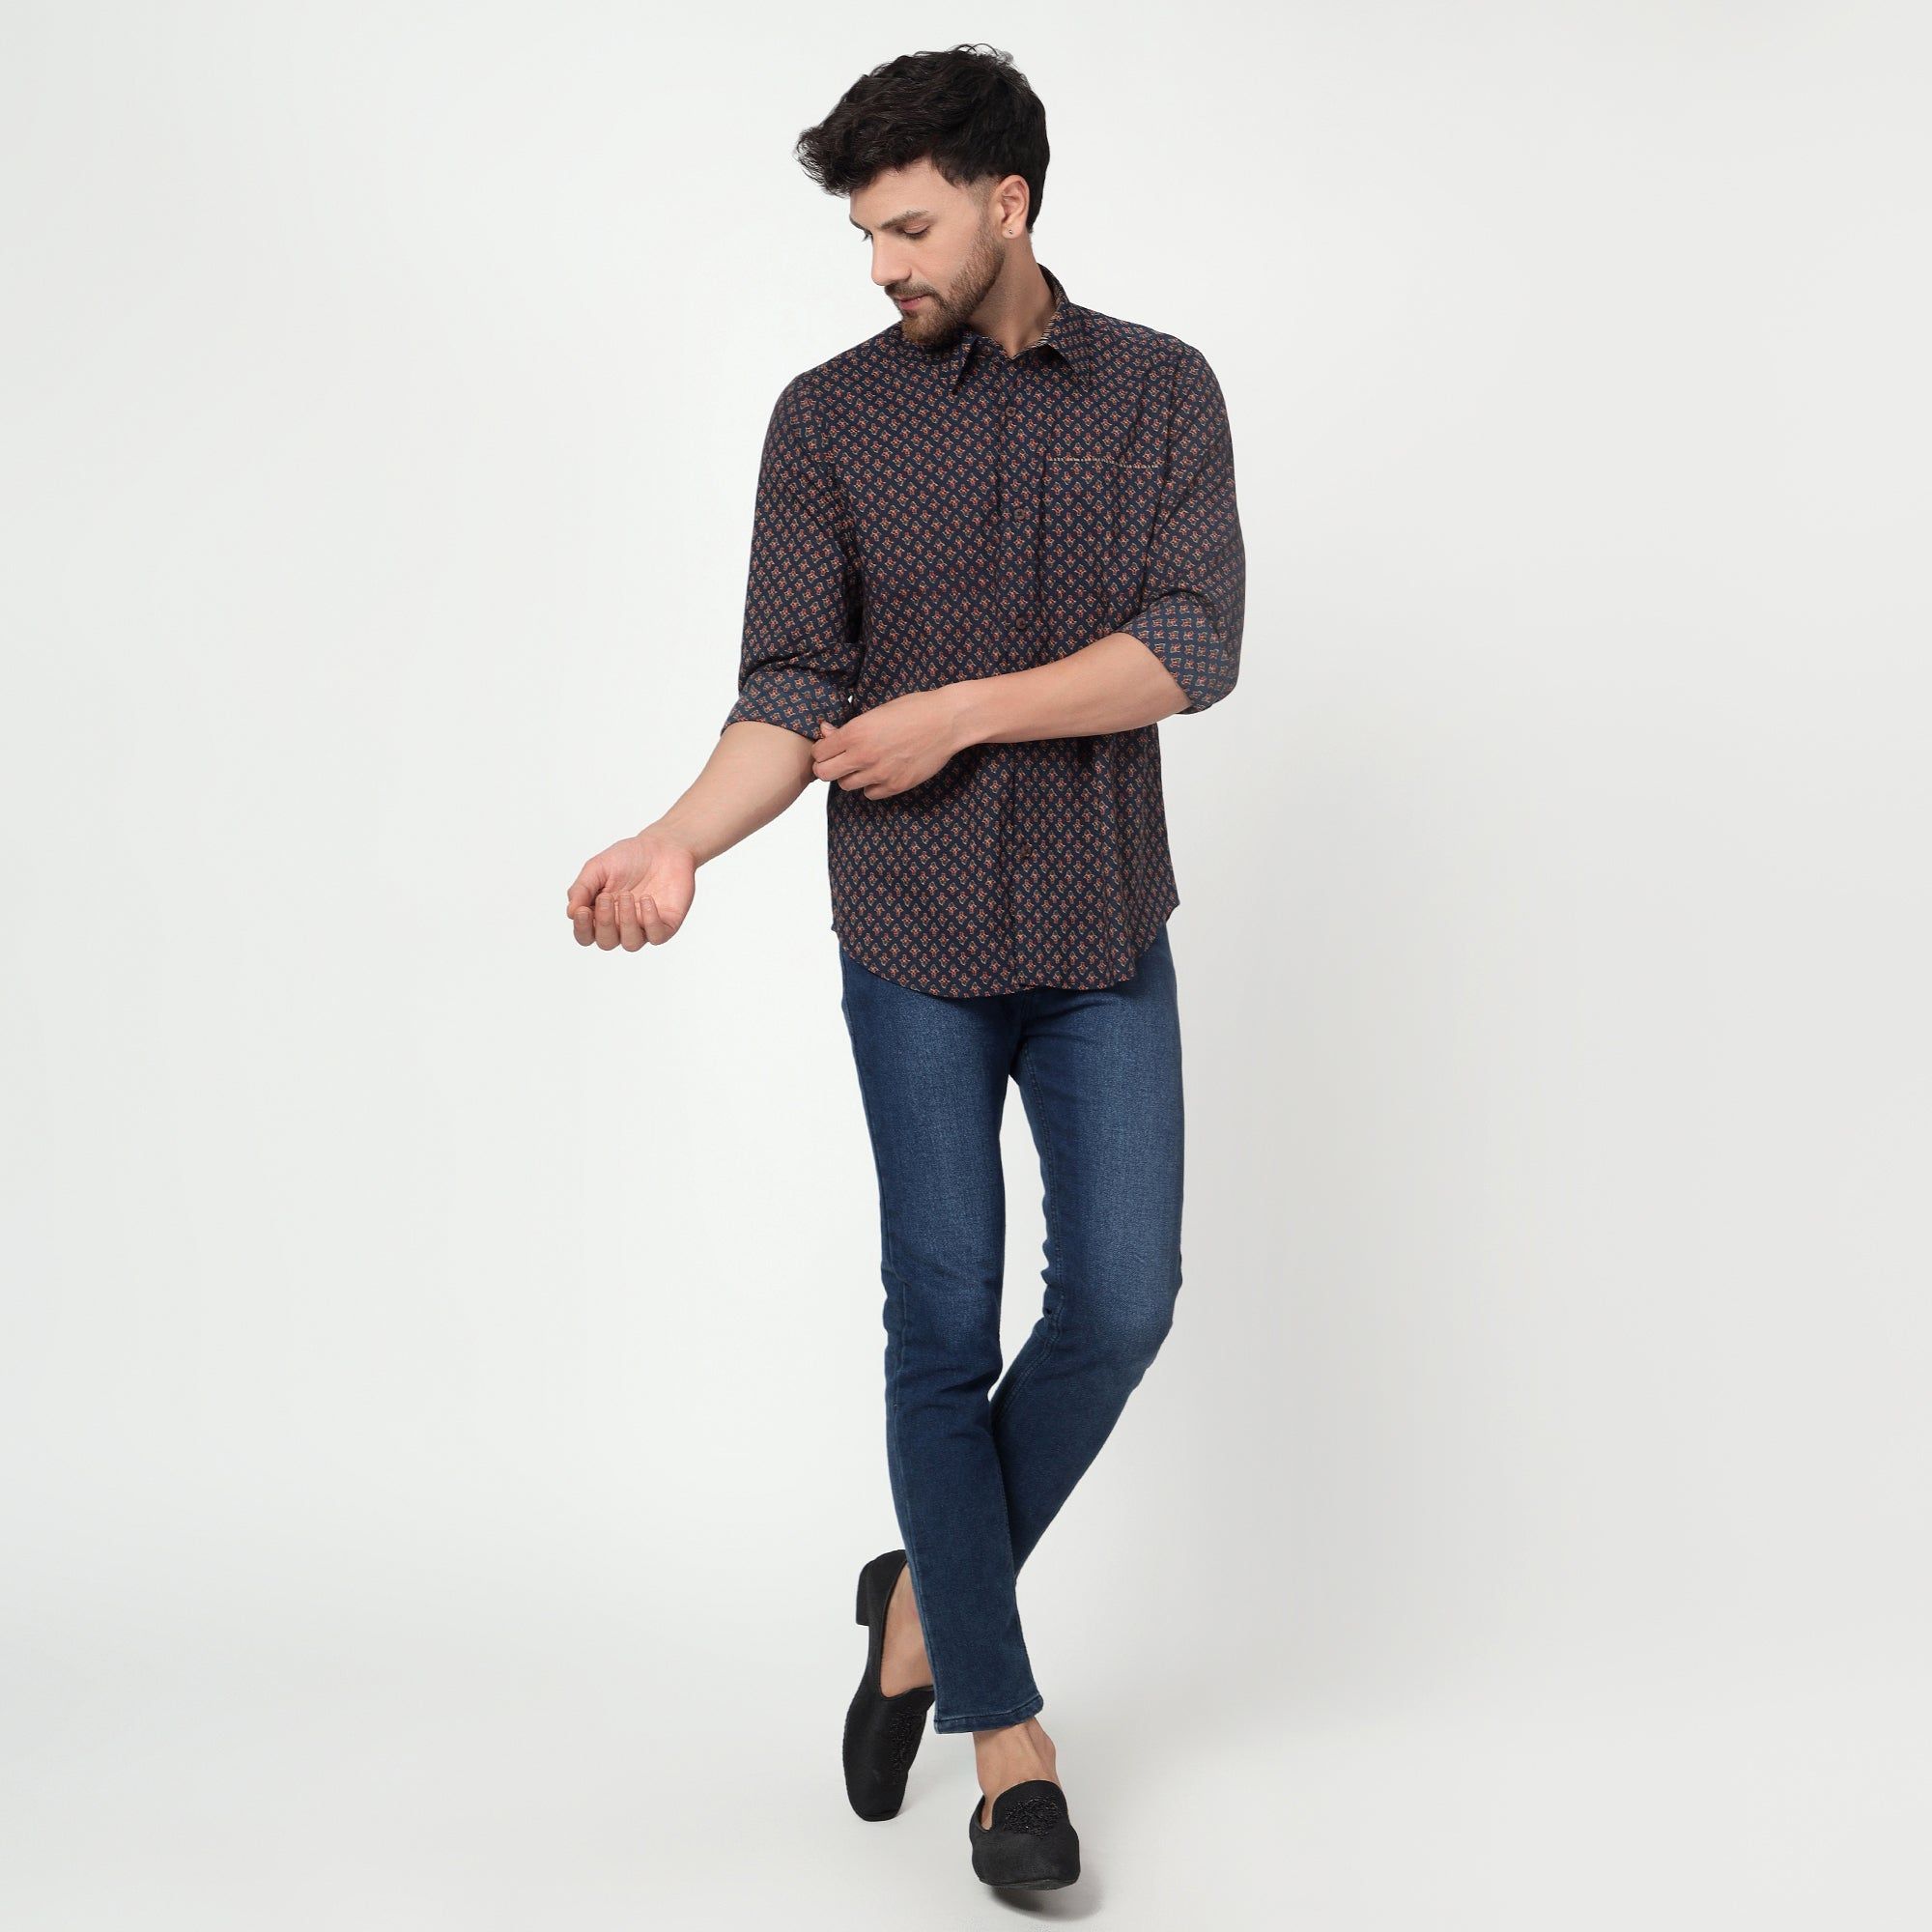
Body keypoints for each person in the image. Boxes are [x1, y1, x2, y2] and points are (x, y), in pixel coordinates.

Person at [564, 42, 1244, 1894]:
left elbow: (1192, 646)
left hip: (1101, 925)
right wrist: (677, 841)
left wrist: (954, 711)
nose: (884, 265)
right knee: (939, 1324)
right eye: (867, 233)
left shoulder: (1163, 391)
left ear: (1009, 203)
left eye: (914, 227)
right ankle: (1008, 1743)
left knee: (1121, 1304)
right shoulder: (829, 421)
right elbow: (789, 688)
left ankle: (919, 1606)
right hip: (916, 941)